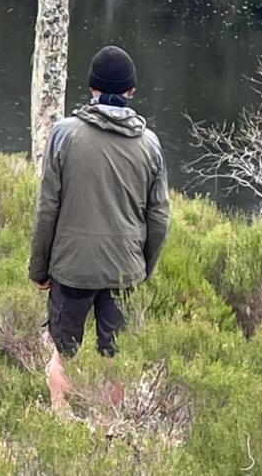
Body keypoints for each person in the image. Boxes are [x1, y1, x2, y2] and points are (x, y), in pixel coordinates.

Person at [29, 45, 170, 415]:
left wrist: (39, 269)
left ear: (91, 87)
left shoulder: (64, 134)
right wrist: (143, 268)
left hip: (72, 267)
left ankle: (60, 422)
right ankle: (110, 424)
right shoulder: (150, 144)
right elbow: (159, 218)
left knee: (63, 352)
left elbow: (47, 210)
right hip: (124, 269)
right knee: (115, 356)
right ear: (131, 92)